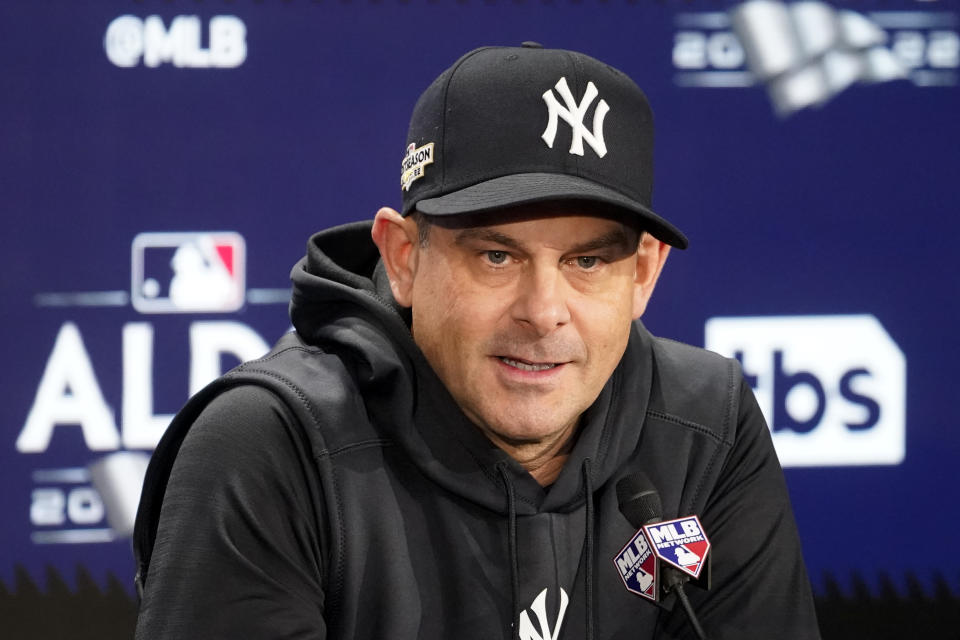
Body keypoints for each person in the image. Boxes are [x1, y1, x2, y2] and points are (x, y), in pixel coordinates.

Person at [133, 43, 820, 639]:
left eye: (587, 263)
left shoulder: (706, 426)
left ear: (643, 274)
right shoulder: (272, 443)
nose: (545, 312)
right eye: (498, 257)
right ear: (404, 259)